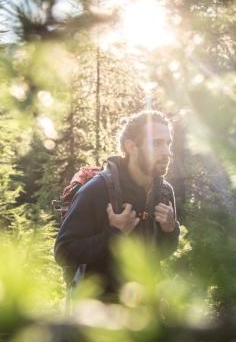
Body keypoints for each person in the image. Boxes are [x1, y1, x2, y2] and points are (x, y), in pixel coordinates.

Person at [54, 110, 180, 298]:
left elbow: (162, 252)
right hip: (97, 311)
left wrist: (171, 230)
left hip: (145, 308)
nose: (166, 152)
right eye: (157, 144)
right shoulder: (97, 190)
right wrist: (114, 234)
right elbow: (63, 252)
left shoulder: (163, 192)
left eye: (168, 143)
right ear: (131, 147)